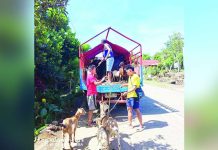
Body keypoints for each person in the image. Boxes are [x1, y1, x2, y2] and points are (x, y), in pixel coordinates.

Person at [121, 65, 144, 130]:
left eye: (127, 72)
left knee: (137, 110)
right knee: (129, 110)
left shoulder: (135, 77)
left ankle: (141, 125)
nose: (126, 73)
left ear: (130, 70)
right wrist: (124, 85)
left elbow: (134, 87)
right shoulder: (130, 76)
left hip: (134, 96)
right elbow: (130, 84)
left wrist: (126, 92)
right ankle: (130, 124)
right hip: (129, 96)